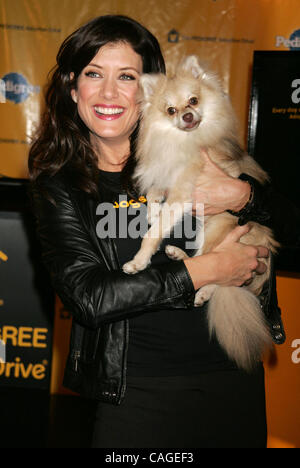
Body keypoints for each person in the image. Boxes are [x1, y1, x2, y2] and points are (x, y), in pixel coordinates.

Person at [28, 15, 286, 449]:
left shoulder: (205, 150)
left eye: (126, 76)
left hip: (233, 381)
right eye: (94, 74)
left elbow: (290, 227)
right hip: (139, 395)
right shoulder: (59, 187)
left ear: (148, 92)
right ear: (74, 90)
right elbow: (92, 297)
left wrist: (241, 196)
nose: (109, 93)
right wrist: (206, 270)